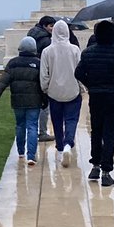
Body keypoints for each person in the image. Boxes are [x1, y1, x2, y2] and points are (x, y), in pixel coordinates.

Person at [74, 19, 114, 187]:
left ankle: (95, 165)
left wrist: (91, 84)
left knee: (97, 130)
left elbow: (78, 73)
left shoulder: (88, 53)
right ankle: (106, 171)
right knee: (110, 133)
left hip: (96, 96)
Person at [0, 35, 45, 166]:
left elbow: (3, 82)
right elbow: (43, 83)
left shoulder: (13, 63)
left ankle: (20, 151)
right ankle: (31, 156)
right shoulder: (38, 63)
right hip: (34, 101)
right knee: (32, 126)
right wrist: (45, 100)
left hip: (17, 100)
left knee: (20, 125)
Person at [39, 19, 83, 167]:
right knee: (71, 120)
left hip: (54, 91)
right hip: (72, 90)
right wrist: (81, 86)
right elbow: (80, 70)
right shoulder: (75, 50)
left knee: (56, 121)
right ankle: (68, 144)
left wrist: (45, 88)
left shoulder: (47, 51)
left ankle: (59, 148)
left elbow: (44, 74)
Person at [25, 15, 56, 140]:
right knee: (44, 104)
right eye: (51, 26)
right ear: (44, 26)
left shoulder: (31, 35)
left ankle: (31, 132)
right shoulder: (46, 40)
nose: (53, 28)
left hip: (30, 71)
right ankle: (42, 132)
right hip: (41, 72)